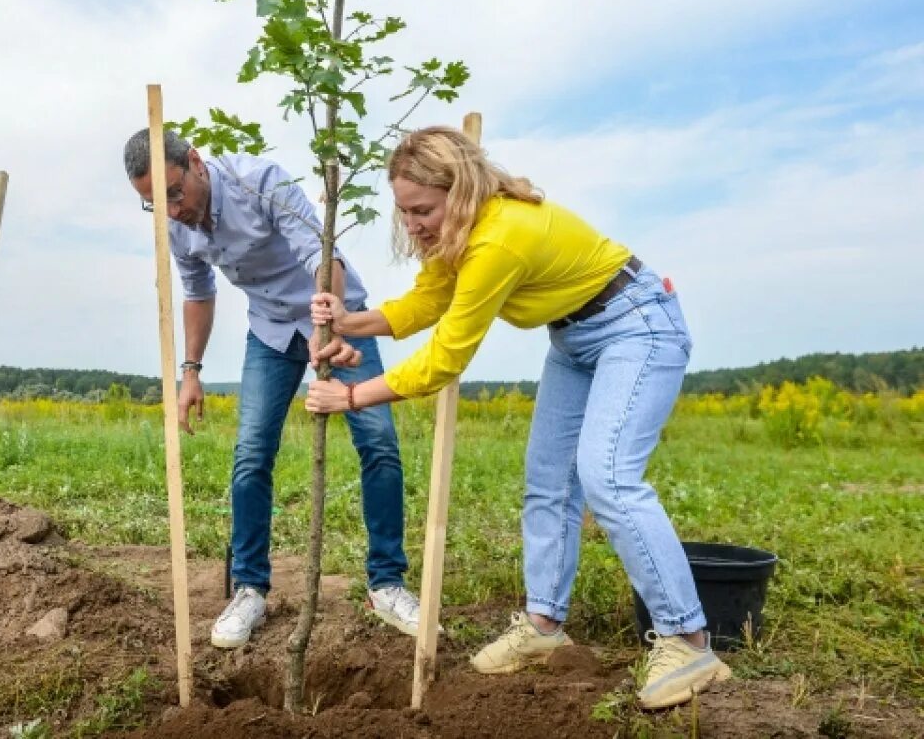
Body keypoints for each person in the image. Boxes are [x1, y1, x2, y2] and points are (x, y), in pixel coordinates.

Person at [304, 126, 730, 709]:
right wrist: (352, 323)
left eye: (423, 210)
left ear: (460, 193)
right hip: (575, 339)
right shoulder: (461, 237)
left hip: (636, 325)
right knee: (548, 481)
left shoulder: (499, 237)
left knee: (607, 477)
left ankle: (689, 640)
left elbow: (444, 358)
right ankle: (543, 629)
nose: (413, 226)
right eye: (404, 213)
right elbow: (430, 301)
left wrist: (352, 397)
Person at [123, 129, 422, 649]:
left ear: (195, 163)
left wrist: (328, 326)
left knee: (378, 443)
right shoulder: (175, 228)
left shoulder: (257, 182)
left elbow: (321, 255)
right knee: (251, 454)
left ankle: (387, 584)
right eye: (154, 202)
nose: (170, 209)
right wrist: (190, 371)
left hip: (335, 315)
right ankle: (250, 589)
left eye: (174, 192)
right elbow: (198, 292)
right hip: (270, 332)